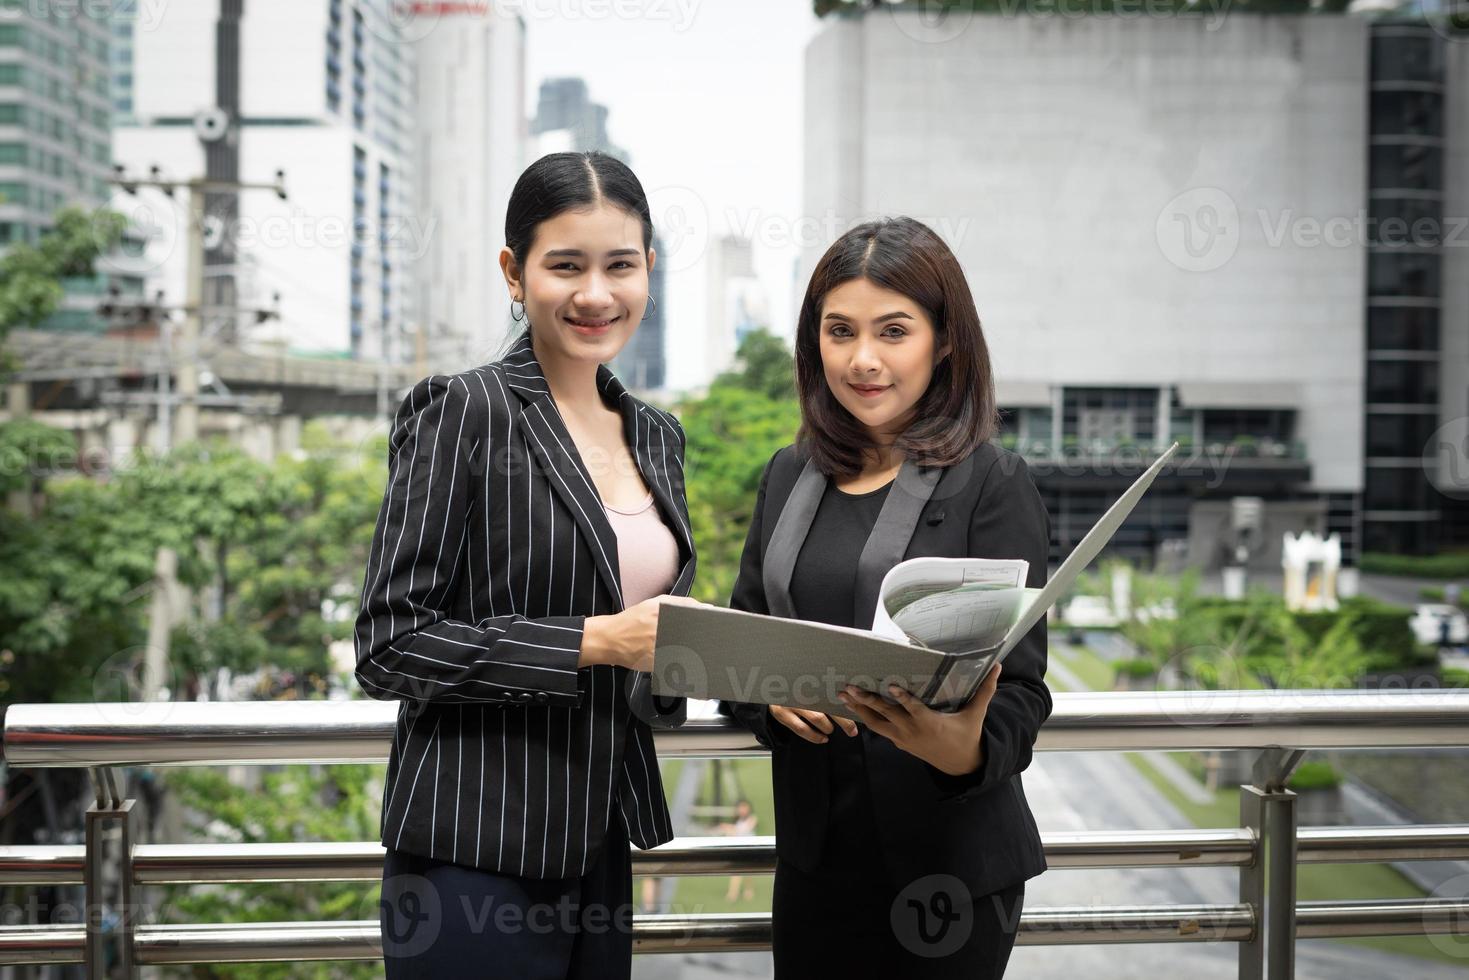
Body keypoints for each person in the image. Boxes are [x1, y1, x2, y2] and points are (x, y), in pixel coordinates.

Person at [355, 151, 700, 978]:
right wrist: (596, 641)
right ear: (515, 273)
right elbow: (390, 644)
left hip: (600, 845)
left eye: (620, 265)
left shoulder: (657, 436)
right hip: (471, 850)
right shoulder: (464, 411)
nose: (595, 294)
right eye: (564, 266)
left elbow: (648, 640)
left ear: (648, 269)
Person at [723, 217, 1050, 977]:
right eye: (839, 331)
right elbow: (742, 642)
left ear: (942, 342)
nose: (862, 359)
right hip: (814, 860)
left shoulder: (992, 483)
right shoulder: (785, 473)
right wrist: (766, 698)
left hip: (948, 866)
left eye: (892, 331)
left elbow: (1023, 691)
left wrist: (958, 748)